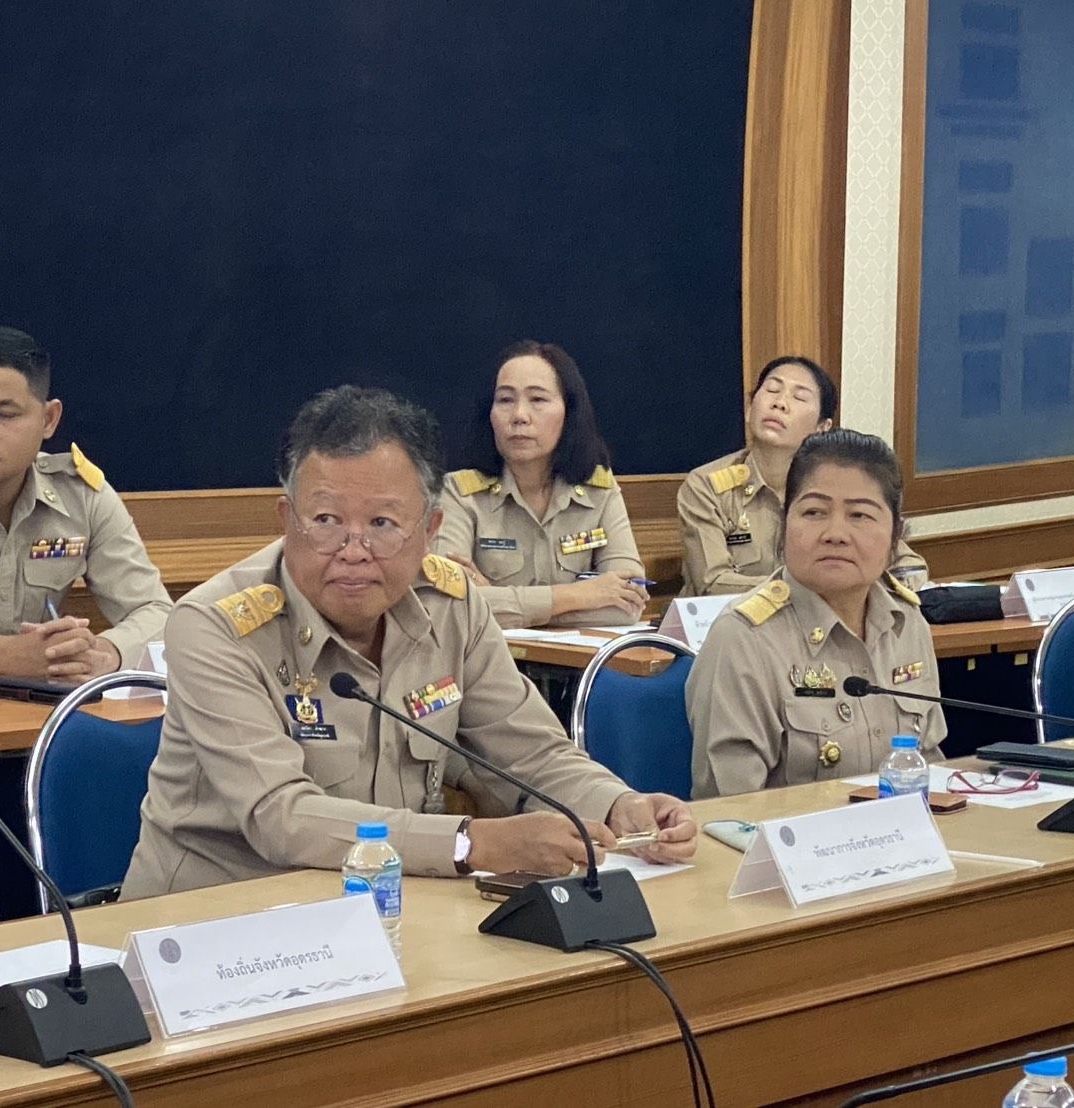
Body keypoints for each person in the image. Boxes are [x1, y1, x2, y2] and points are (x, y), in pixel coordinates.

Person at [122, 386, 695, 899]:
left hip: (385, 905)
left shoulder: (452, 606)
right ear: (286, 519)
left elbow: (532, 754)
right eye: (325, 520)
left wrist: (618, 806)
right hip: (214, 919)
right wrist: (471, 844)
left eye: (382, 524)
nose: (352, 550)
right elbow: (281, 817)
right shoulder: (214, 626)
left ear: (430, 531)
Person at [687, 429, 945, 798]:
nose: (835, 533)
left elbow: (928, 770)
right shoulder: (743, 638)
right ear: (784, 523)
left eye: (859, 515)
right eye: (814, 512)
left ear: (895, 535)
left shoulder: (907, 624)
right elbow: (729, 810)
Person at [435, 340, 647, 629]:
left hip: (577, 657)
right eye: (505, 400)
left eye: (537, 399)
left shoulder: (599, 490)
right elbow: (447, 605)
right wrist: (578, 596)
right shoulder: (459, 494)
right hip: (488, 656)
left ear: (568, 412)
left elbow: (629, 604)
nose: (519, 416)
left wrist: (495, 602)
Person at [0, 326, 170, 680]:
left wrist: (102, 654)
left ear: (48, 420)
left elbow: (158, 613)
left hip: (41, 704)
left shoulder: (80, 495)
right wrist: (6, 658)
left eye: (5, 414)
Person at [678, 355, 928, 596]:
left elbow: (910, 567)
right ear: (749, 408)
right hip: (733, 621)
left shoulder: (836, 487)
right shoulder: (707, 486)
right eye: (772, 390)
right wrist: (814, 589)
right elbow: (712, 583)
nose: (780, 403)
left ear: (822, 428)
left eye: (799, 397)